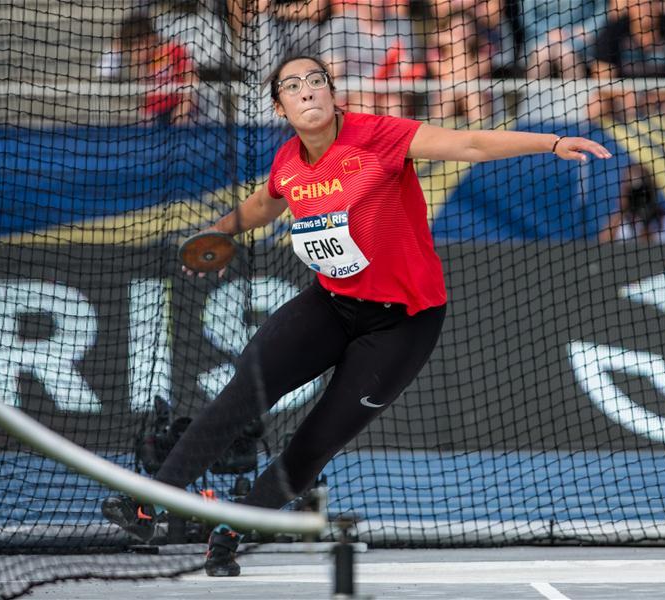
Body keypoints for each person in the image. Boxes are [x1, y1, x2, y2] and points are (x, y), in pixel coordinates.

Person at [101, 55, 612, 577]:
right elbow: (264, 204)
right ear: (280, 106)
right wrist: (220, 233)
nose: (307, 91)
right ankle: (148, 503)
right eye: (293, 86)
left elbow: (470, 144)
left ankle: (231, 532)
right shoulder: (288, 162)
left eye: (316, 81)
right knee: (241, 393)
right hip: (331, 304)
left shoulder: (379, 136)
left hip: (402, 325)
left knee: (315, 443)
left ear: (331, 92)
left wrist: (550, 143)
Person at [587, 0, 665, 122]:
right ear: (629, 6)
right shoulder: (614, 30)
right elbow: (602, 79)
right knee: (596, 103)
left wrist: (655, 97)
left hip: (664, 98)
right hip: (623, 99)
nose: (644, 8)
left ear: (658, 5)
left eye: (649, 2)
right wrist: (625, 94)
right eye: (638, 3)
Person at [98, 13, 199, 125]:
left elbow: (191, 81)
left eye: (138, 43)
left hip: (177, 114)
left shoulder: (173, 50)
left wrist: (182, 111)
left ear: (152, 38)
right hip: (153, 117)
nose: (135, 49)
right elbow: (143, 92)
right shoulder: (141, 62)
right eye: (131, 45)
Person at [599, 162, 665, 243]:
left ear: (654, 187)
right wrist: (622, 211)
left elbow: (651, 253)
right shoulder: (620, 226)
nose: (640, 197)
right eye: (632, 192)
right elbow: (601, 249)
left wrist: (646, 220)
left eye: (643, 190)